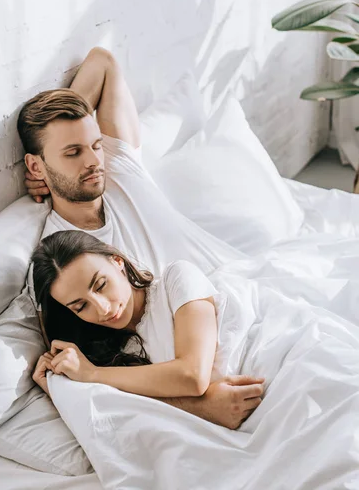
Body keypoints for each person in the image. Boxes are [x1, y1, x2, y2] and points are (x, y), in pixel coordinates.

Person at [17, 47, 264, 429]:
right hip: (209, 354)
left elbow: (103, 62)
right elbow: (84, 371)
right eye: (72, 153)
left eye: (93, 145)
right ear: (35, 164)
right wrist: (200, 406)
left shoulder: (119, 170)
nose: (92, 162)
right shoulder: (59, 263)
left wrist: (65, 149)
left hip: (251, 287)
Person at [31, 230, 264, 428]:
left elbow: (192, 376)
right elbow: (113, 422)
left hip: (267, 366)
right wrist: (58, 390)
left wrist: (92, 374)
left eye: (101, 285)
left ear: (116, 261)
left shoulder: (177, 280)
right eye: (81, 306)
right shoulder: (109, 357)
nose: (102, 309)